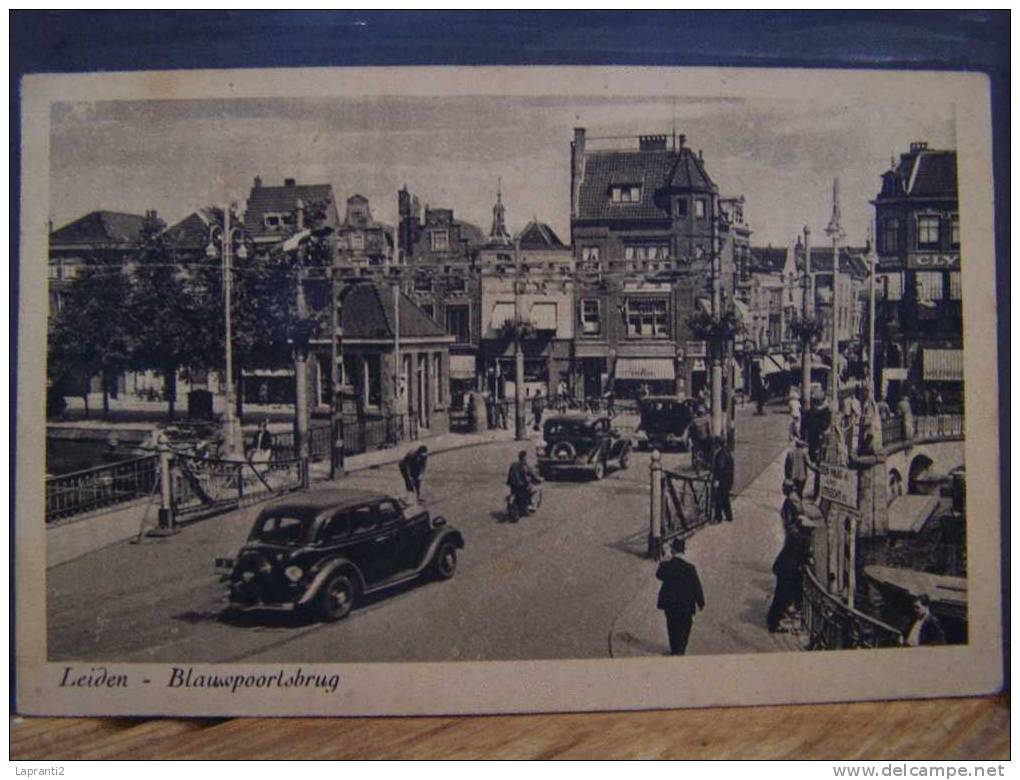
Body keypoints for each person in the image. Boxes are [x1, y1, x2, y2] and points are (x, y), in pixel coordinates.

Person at [655, 538, 705, 655]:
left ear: (672, 551)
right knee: (685, 627)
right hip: (686, 605)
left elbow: (659, 575)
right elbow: (696, 586)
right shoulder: (690, 568)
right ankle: (681, 650)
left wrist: (664, 560)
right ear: (683, 552)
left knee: (672, 626)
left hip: (670, 604)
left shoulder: (667, 566)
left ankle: (674, 650)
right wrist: (701, 602)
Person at [767, 510, 814, 633]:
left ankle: (776, 618)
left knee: (780, 595)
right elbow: (805, 556)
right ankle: (773, 624)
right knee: (781, 596)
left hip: (783, 568)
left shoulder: (794, 535)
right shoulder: (803, 539)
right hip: (789, 571)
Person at [506, 449, 541, 520]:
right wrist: (539, 480)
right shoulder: (526, 466)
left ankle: (521, 506)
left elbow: (509, 476)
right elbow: (533, 476)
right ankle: (529, 505)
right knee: (534, 489)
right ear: (524, 458)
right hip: (522, 487)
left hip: (513, 486)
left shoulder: (513, 465)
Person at [710, 436, 735, 523]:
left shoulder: (721, 454)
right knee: (725, 499)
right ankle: (729, 516)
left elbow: (720, 468)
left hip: (722, 481)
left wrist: (717, 480)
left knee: (718, 499)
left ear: (717, 444)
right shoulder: (726, 452)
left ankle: (718, 517)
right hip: (727, 480)